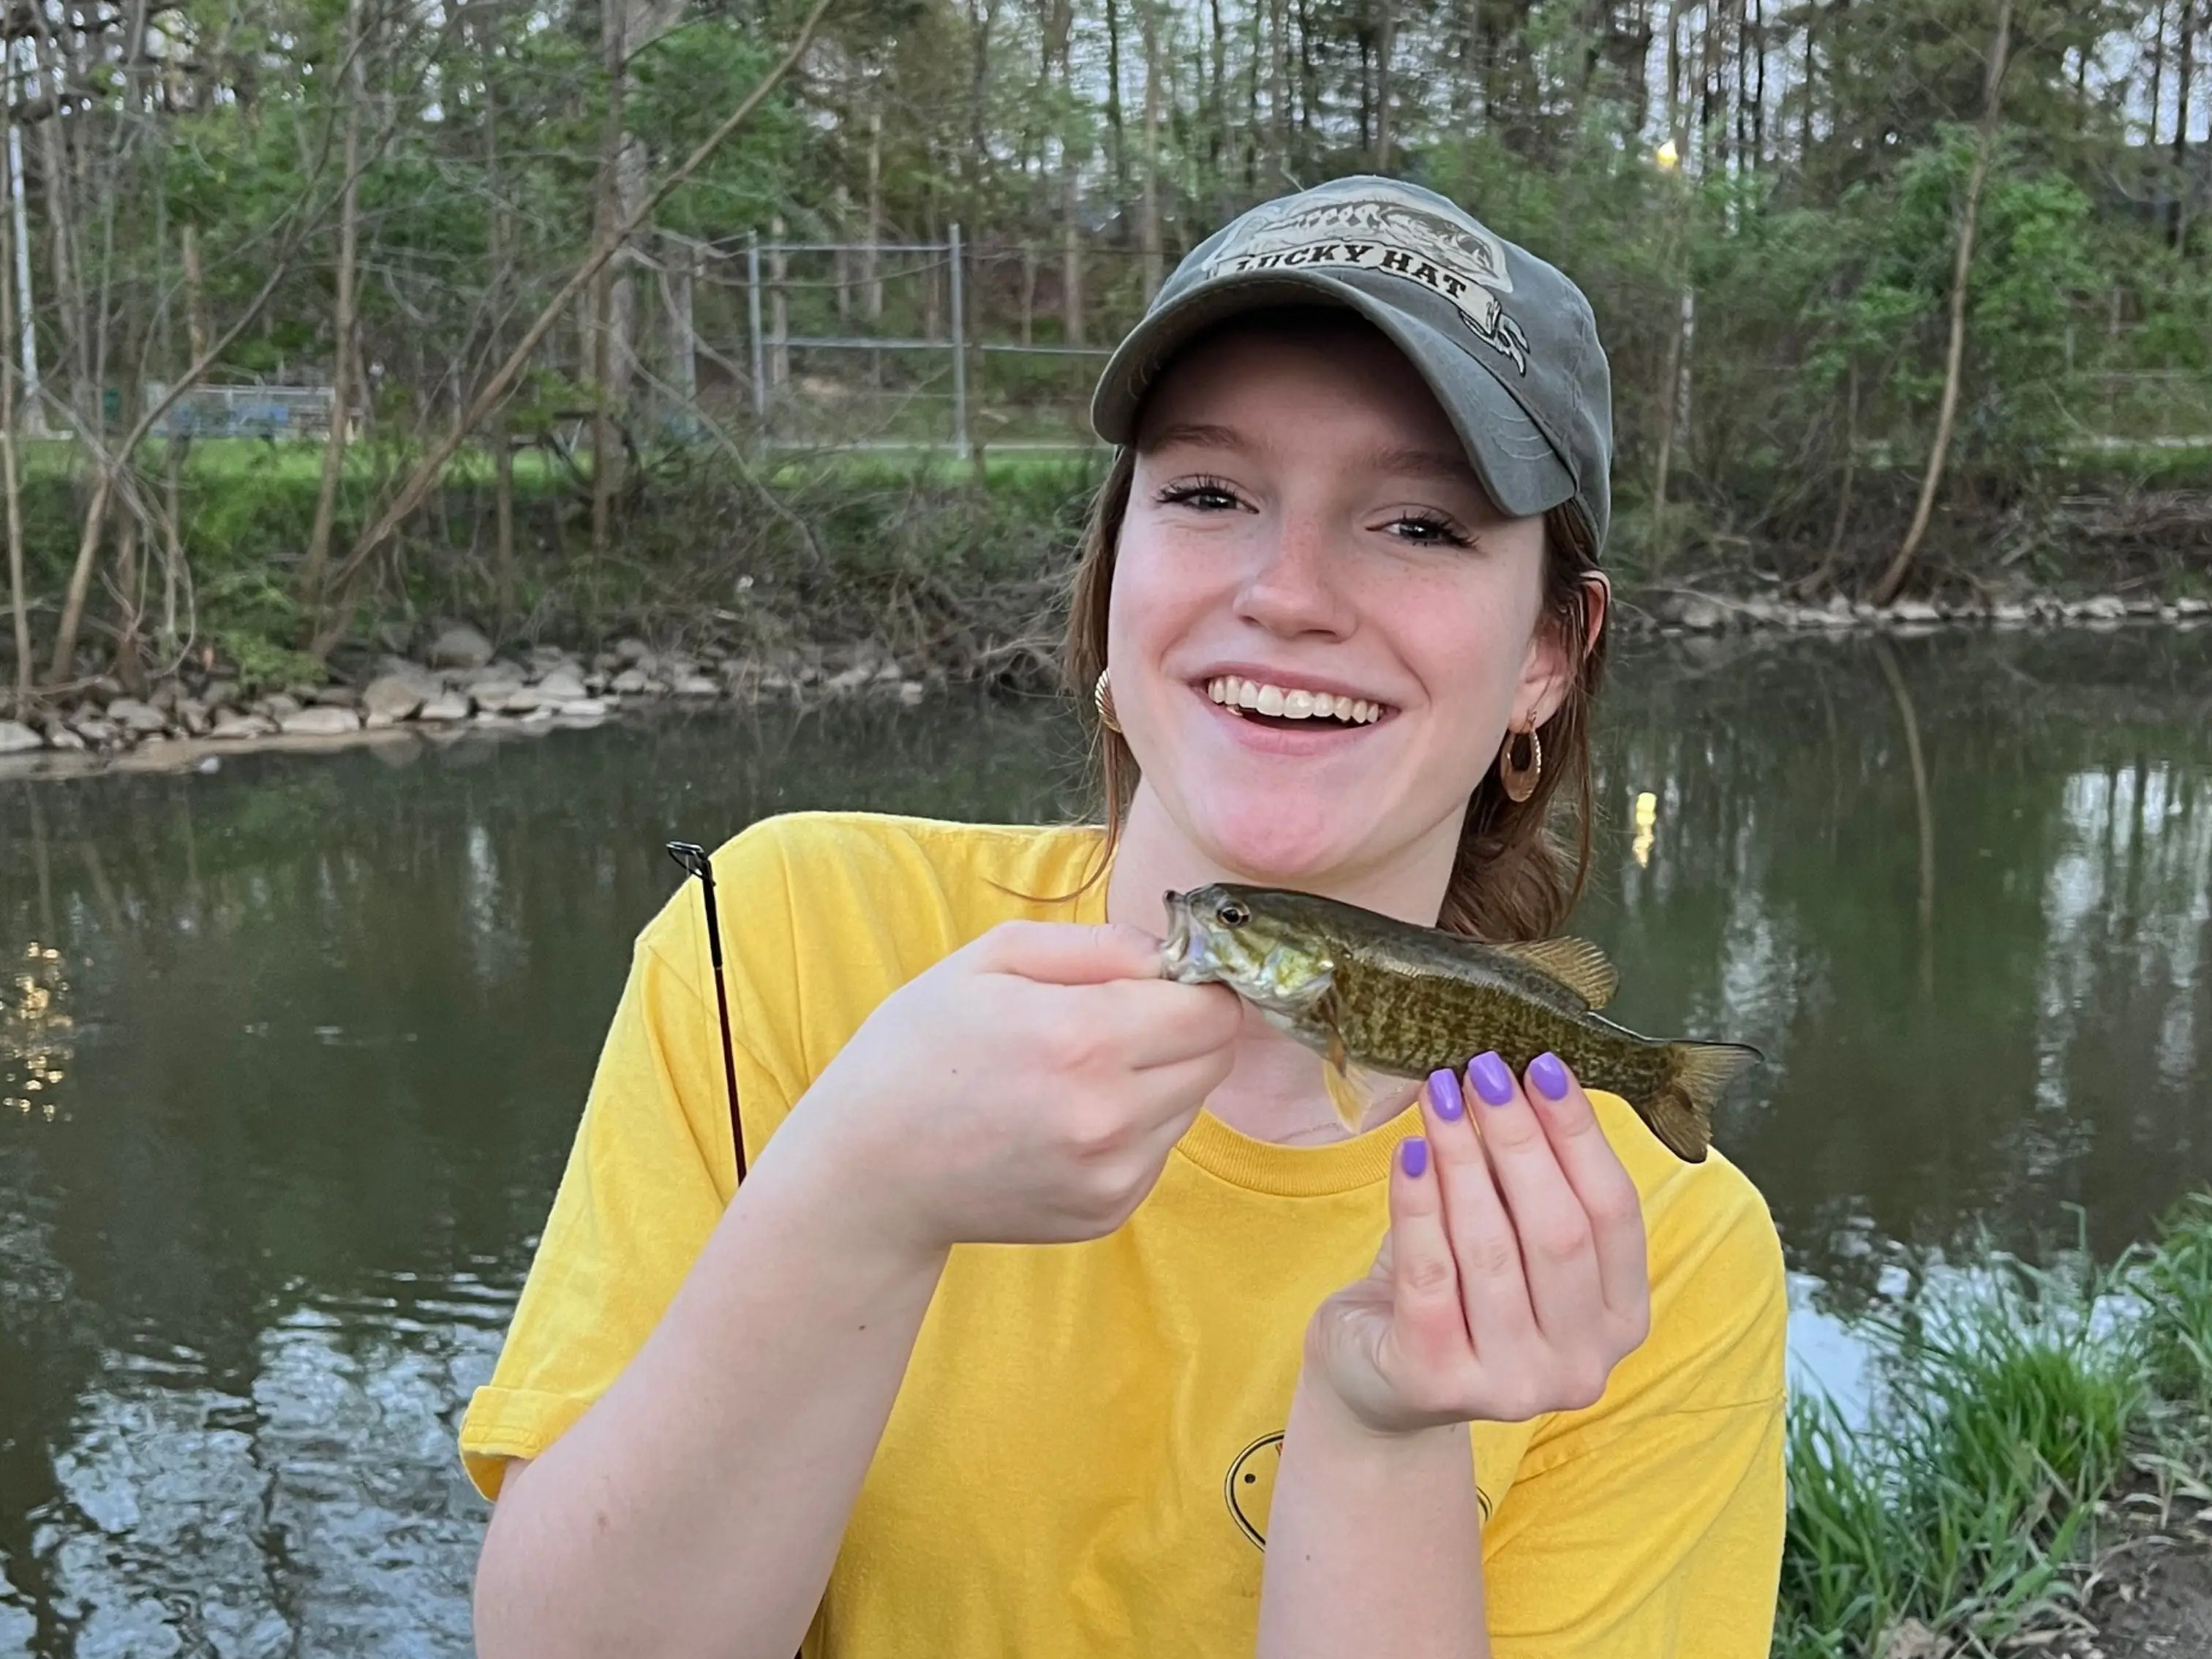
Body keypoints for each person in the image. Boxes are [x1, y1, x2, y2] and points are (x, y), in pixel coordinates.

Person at [462, 176, 1788, 1659]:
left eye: (1418, 522)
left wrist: (1386, 1428)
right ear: (1112, 583)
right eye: (1210, 495)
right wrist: (857, 1198)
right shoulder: (777, 939)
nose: (1289, 594)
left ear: (1551, 651)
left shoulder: (1652, 1254)